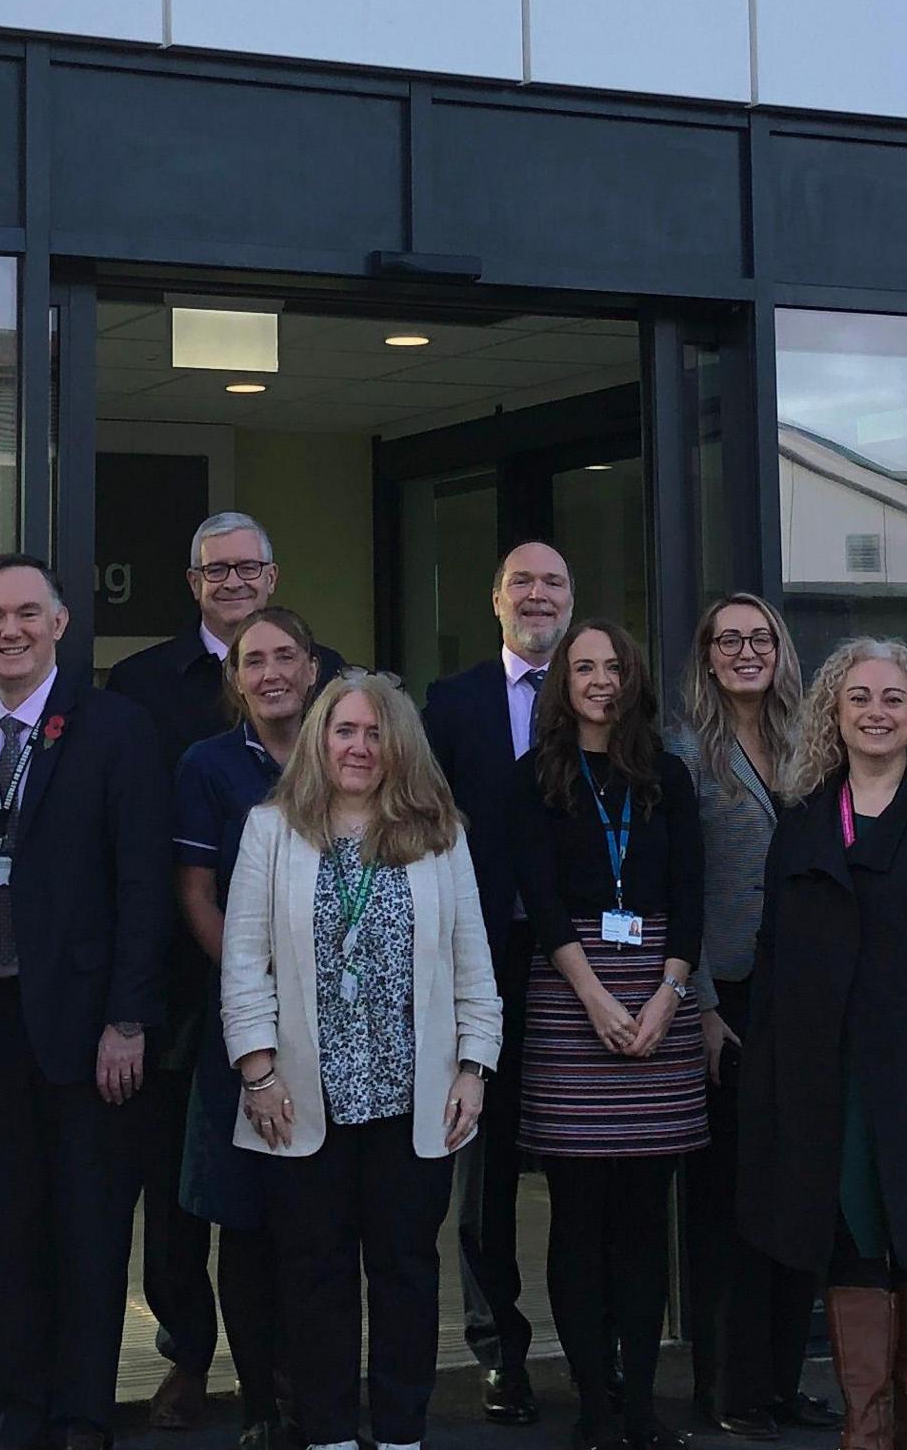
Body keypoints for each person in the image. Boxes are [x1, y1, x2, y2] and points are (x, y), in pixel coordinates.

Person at [733, 640, 907, 1450]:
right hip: (832, 1075)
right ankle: (866, 1419)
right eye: (859, 698)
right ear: (833, 712)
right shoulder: (803, 822)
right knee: (851, 1232)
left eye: (894, 698)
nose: (876, 712)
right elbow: (774, 951)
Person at [223, 672, 504, 1450]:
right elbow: (243, 964)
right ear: (319, 739)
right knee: (314, 1278)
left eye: (375, 733)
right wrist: (258, 1072)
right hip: (299, 1100)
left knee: (408, 1274)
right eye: (344, 730)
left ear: (399, 747)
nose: (358, 746)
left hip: (416, 1098)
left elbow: (473, 965)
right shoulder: (270, 830)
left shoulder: (441, 834)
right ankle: (328, 1436)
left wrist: (474, 1070)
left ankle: (403, 1433)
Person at [109, 514, 345, 1432]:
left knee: (286, 1196)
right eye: (219, 568)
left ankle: (283, 1369)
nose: (235, 579)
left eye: (251, 567)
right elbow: (158, 862)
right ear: (193, 579)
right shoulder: (140, 686)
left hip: (318, 1001)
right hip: (187, 988)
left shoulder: (337, 693)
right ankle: (186, 1355)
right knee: (184, 1194)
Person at [0, 556, 168, 1450]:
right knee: (4, 1234)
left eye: (27, 614)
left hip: (88, 1029)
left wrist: (128, 1019)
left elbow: (145, 884)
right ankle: (17, 1413)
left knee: (88, 1236)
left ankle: (81, 1419)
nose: (10, 631)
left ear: (62, 624)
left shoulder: (116, 729)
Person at [512, 620, 706, 1450]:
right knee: (578, 1216)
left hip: (659, 992)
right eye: (583, 668)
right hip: (569, 994)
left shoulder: (668, 774)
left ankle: (639, 1401)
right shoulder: (536, 776)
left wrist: (667, 998)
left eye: (613, 667)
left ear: (633, 679)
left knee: (643, 1219)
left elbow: (693, 897)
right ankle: (592, 1399)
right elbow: (541, 899)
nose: (599, 680)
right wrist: (592, 997)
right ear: (564, 683)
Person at [667, 596, 837, 1441]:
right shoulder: (682, 752)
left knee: (797, 1195)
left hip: (804, 997)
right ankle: (726, 1387)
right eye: (727, 639)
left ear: (780, 649)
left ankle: (780, 1379)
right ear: (706, 654)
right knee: (729, 1201)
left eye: (759, 638)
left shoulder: (816, 745)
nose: (744, 651)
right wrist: (696, 1005)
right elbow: (677, 888)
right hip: (725, 998)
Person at [420, 539, 576, 1423]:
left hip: (580, 965)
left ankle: (590, 1343)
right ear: (495, 599)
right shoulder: (453, 704)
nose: (538, 595)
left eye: (554, 582)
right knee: (483, 1173)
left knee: (582, 1163)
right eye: (522, 581)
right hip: (480, 960)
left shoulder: (602, 697)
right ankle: (498, 1349)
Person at [172, 608, 332, 1450]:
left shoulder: (348, 748)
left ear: (311, 669)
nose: (270, 672)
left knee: (318, 1222)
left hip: (339, 1025)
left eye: (285, 657)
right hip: (245, 1027)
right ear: (236, 681)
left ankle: (315, 1395)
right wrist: (253, 993)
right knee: (244, 1216)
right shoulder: (208, 766)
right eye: (253, 661)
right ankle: (261, 1406)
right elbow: (197, 891)